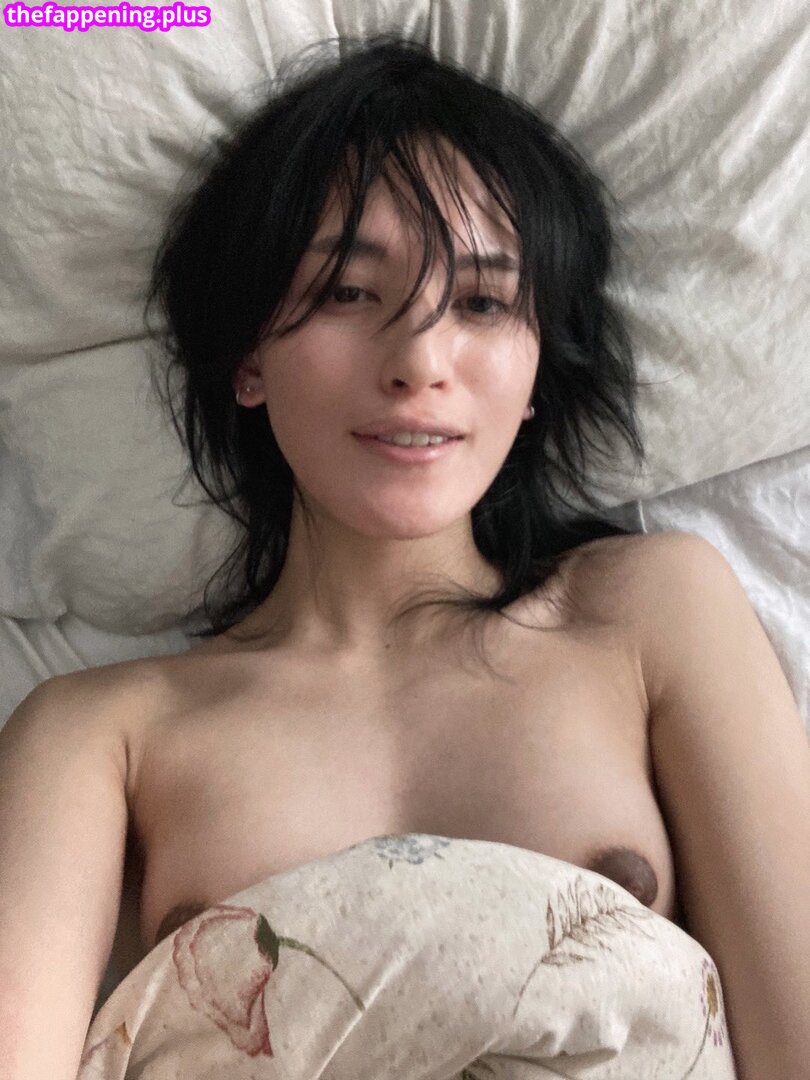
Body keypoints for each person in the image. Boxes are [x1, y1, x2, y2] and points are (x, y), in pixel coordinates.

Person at [0, 32, 808, 1080]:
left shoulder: (652, 612)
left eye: (482, 302)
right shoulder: (98, 733)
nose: (419, 361)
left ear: (536, 373)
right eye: (348, 291)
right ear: (249, 356)